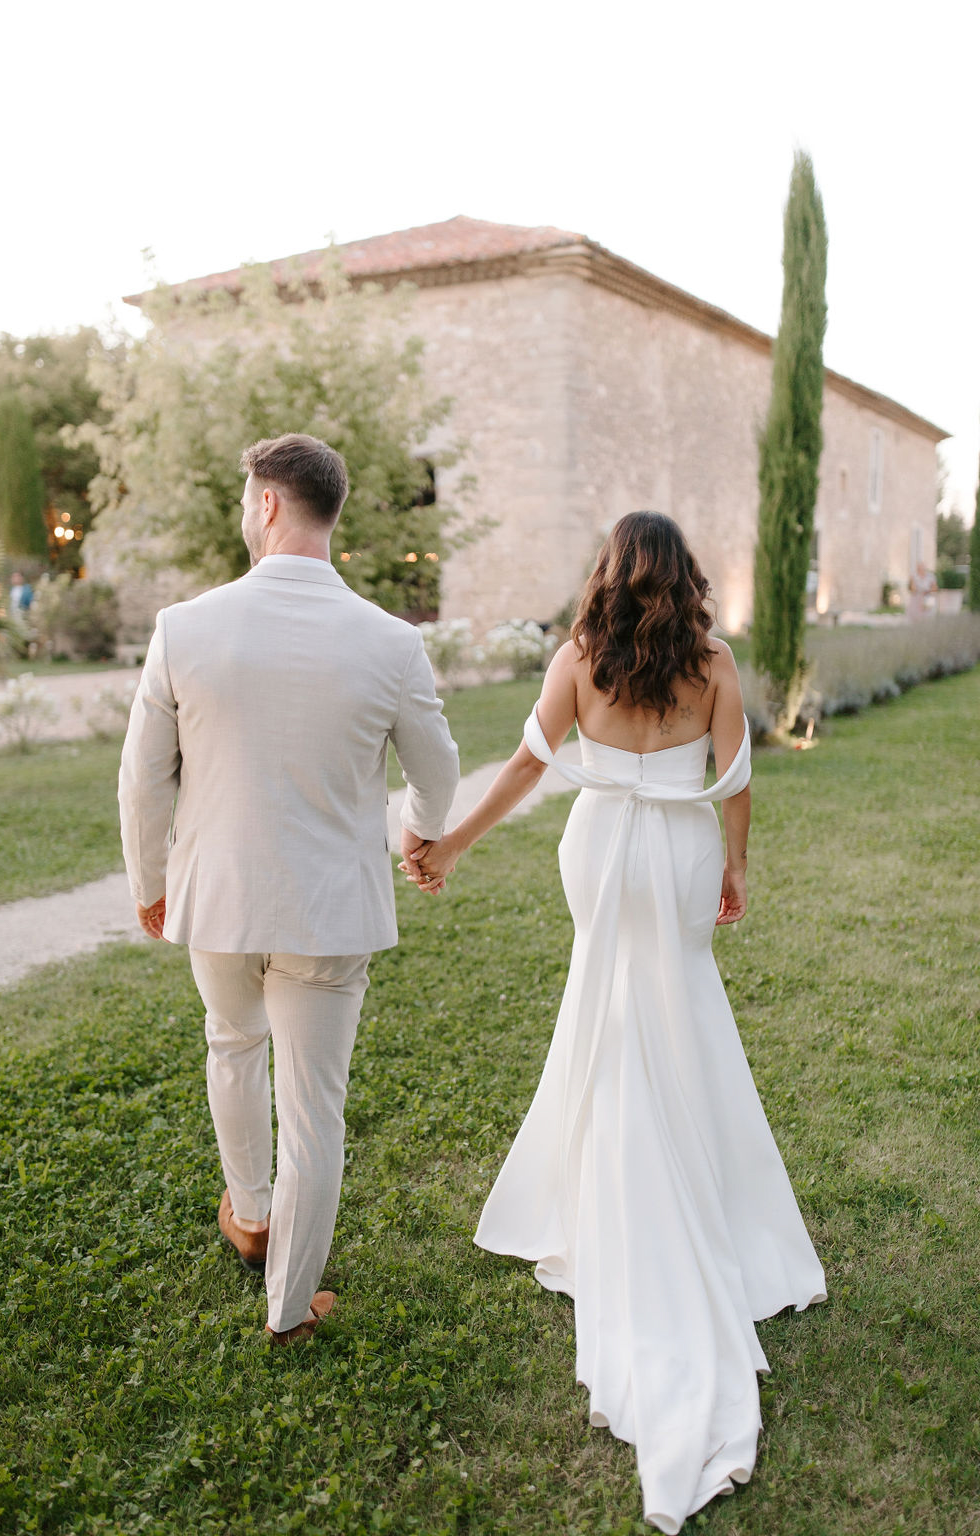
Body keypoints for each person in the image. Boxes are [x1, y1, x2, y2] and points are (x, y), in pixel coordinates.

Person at [405, 512, 826, 1533]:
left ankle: (609, 1182)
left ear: (606, 574)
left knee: (605, 996)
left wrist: (451, 843)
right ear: (682, 579)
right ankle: (690, 1188)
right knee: (676, 1005)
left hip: (598, 852)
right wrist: (733, 868)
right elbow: (734, 785)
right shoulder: (714, 662)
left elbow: (524, 768)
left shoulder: (578, 658)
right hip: (678, 854)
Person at [119, 433, 460, 1344]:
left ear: (268, 504)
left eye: (245, 500)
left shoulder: (184, 628)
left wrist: (152, 884)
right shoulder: (390, 641)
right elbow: (438, 765)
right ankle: (288, 1306)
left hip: (216, 899)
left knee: (232, 1044)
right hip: (329, 908)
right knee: (315, 1106)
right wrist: (418, 831)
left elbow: (142, 781)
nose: (244, 514)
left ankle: (253, 1214)